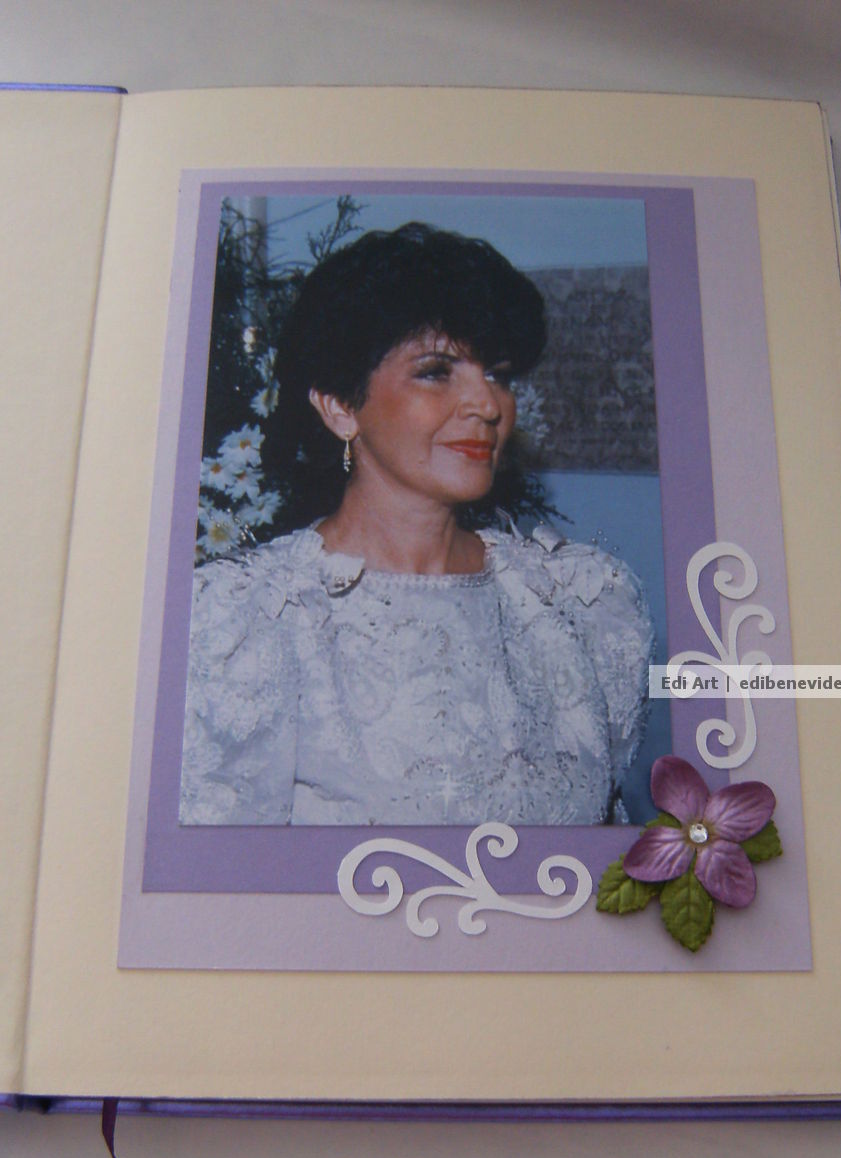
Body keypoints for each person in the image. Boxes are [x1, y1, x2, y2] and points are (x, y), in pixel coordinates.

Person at [179, 222, 653, 826]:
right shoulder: (248, 621)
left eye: (499, 374)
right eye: (436, 371)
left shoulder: (583, 602)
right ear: (340, 406)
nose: (488, 405)